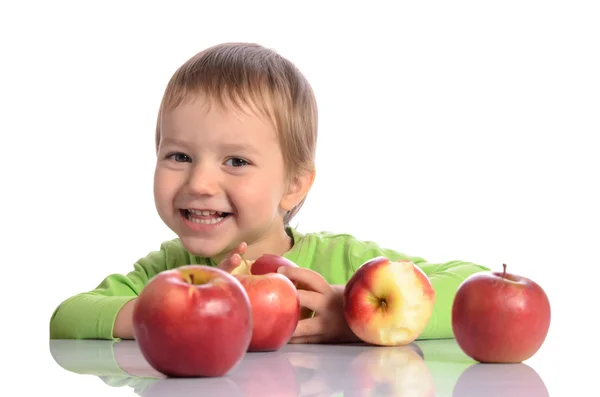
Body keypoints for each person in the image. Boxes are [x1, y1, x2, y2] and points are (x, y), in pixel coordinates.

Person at [49, 42, 489, 343]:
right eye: (179, 156)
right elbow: (68, 317)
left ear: (294, 185)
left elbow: (475, 289)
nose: (199, 184)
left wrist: (355, 314)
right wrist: (165, 313)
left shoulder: (344, 266)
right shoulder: (169, 274)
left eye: (236, 161)